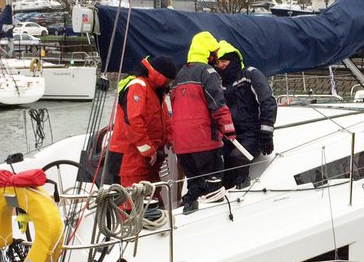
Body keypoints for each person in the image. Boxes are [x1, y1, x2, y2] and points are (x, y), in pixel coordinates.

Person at [170, 31, 236, 214]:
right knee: (213, 182)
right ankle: (205, 210)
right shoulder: (208, 72)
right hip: (204, 140)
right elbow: (217, 105)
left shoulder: (179, 75)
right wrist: (229, 130)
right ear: (208, 53)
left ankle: (190, 204)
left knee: (195, 180)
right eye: (214, 53)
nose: (216, 57)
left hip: (182, 145)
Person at [106, 55, 178, 189]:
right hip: (130, 157)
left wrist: (171, 139)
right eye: (168, 81)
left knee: (149, 198)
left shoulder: (156, 91)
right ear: (161, 76)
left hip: (146, 157)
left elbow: (164, 119)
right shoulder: (138, 86)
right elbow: (134, 121)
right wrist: (148, 150)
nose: (169, 85)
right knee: (133, 202)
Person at [214, 40, 277, 189]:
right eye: (218, 62)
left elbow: (267, 101)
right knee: (217, 159)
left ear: (233, 59)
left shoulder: (250, 75)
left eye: (224, 60)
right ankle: (221, 193)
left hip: (252, 134)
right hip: (230, 136)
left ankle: (242, 186)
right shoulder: (218, 83)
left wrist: (266, 132)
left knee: (238, 157)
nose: (221, 65)